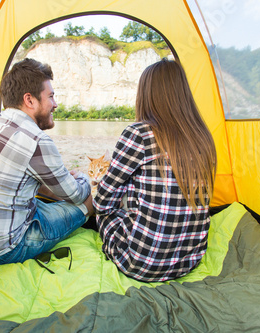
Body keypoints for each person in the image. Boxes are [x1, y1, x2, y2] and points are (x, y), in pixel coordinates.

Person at [0, 58, 94, 268]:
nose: (55, 104)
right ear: (29, 100)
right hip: (2, 249)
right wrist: (83, 177)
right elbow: (77, 194)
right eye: (51, 96)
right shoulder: (36, 140)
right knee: (88, 200)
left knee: (49, 191)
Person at [93, 59, 217, 282]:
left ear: (146, 95)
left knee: (106, 211)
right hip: (188, 260)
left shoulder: (139, 133)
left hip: (140, 262)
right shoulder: (203, 137)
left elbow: (102, 202)